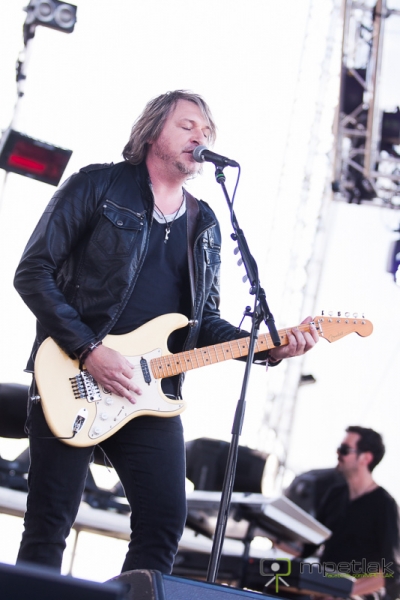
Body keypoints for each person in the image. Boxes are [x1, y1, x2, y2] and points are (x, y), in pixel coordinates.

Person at [14, 90, 319, 574]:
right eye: (187, 125)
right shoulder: (96, 185)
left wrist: (268, 348)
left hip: (150, 389)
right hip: (73, 374)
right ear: (153, 129)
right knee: (50, 523)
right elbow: (32, 272)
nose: (200, 136)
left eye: (207, 131)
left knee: (162, 525)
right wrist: (89, 349)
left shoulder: (205, 221)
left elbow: (204, 322)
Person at [303, 426, 400, 599]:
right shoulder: (334, 494)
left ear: (366, 458)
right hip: (324, 591)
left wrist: (342, 592)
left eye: (344, 449)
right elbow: (307, 546)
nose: (338, 453)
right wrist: (267, 528)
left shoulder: (385, 505)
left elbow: (392, 571)